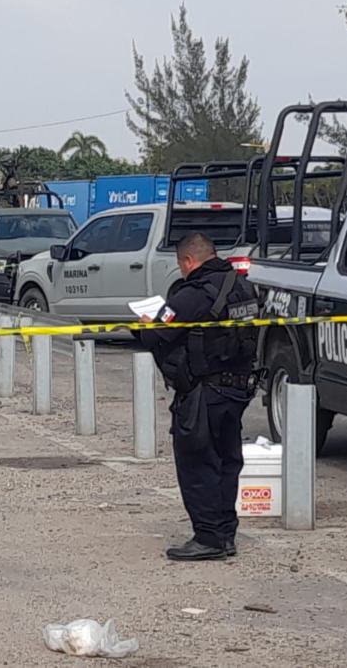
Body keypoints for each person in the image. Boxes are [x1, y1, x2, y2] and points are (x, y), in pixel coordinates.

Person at [139, 232, 259, 562]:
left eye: (181, 265)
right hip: (237, 389)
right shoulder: (242, 286)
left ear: (189, 261)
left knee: (197, 463)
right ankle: (225, 534)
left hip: (203, 393)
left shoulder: (191, 295)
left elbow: (158, 333)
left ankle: (208, 537)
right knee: (227, 462)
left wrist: (143, 323)